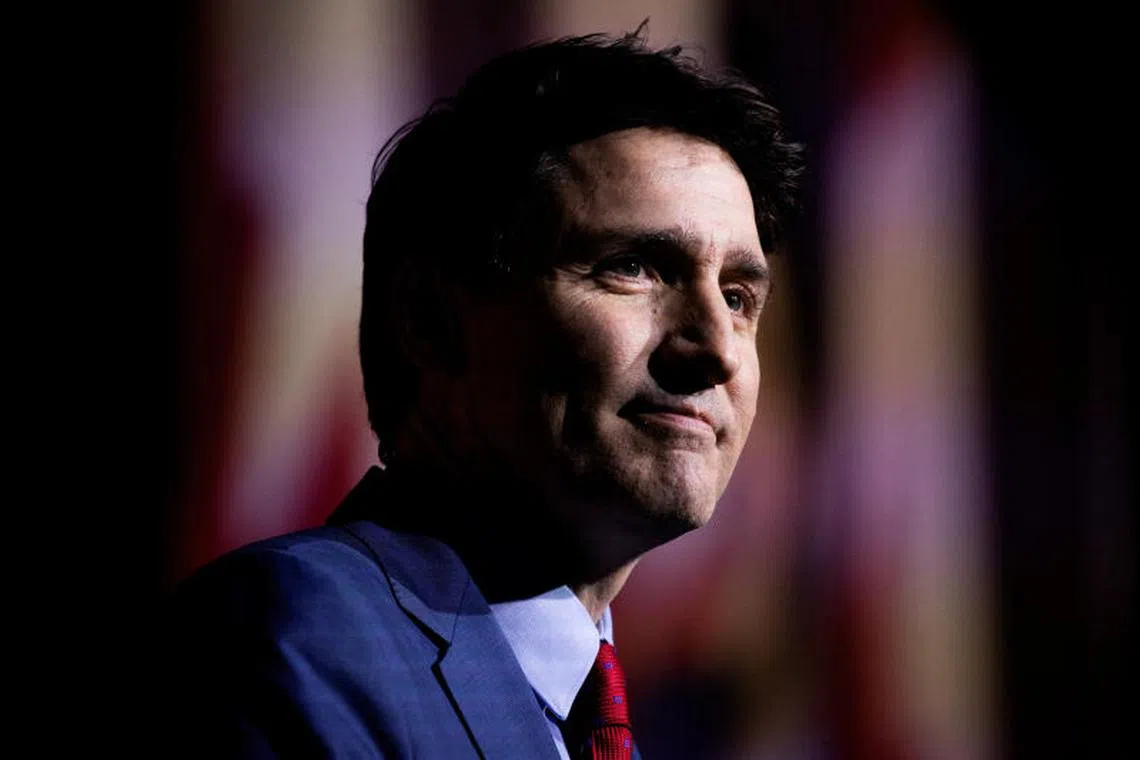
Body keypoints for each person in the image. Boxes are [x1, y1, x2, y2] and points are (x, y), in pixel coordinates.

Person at [164, 28, 802, 759]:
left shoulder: (597, 711)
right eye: (633, 267)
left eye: (738, 295)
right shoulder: (295, 643)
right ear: (432, 326)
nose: (717, 348)